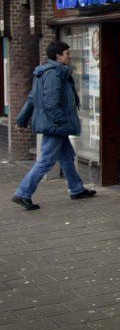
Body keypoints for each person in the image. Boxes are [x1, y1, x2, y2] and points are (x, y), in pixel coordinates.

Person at [12, 41, 97, 210]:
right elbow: (51, 103)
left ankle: (76, 188)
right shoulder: (54, 74)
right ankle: (23, 192)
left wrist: (21, 120)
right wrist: (61, 121)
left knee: (66, 157)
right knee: (45, 160)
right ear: (58, 56)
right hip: (55, 125)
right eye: (67, 53)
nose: (69, 55)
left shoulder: (44, 72)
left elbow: (31, 98)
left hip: (55, 125)